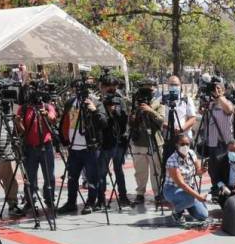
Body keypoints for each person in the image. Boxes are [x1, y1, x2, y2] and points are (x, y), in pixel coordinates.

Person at [57, 80, 108, 215]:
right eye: (75, 88)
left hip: (90, 147)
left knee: (92, 178)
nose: (77, 91)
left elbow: (103, 123)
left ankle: (91, 202)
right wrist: (63, 139)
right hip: (74, 148)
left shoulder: (95, 102)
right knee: (72, 178)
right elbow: (64, 121)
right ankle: (71, 203)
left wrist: (94, 110)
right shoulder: (70, 103)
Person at [15, 92, 58, 213]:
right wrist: (18, 123)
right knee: (30, 177)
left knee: (49, 176)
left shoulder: (47, 106)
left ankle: (49, 200)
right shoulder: (23, 109)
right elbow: (22, 131)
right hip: (30, 148)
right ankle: (30, 200)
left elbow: (53, 120)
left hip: (46, 146)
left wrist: (47, 115)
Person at [129, 80, 165, 205]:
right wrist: (135, 115)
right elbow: (131, 122)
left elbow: (161, 121)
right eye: (145, 89)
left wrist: (150, 110)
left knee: (156, 170)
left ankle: (157, 193)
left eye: (150, 89)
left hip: (154, 141)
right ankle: (140, 193)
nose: (148, 92)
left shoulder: (159, 103)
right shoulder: (136, 103)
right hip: (139, 141)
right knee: (140, 171)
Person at [97, 76, 130, 207]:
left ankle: (123, 196)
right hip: (104, 142)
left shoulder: (120, 100)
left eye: (114, 86)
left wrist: (115, 112)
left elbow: (124, 120)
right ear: (102, 87)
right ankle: (101, 199)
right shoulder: (98, 101)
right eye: (108, 86)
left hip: (119, 141)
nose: (111, 89)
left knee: (118, 170)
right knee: (102, 172)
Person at [163, 135, 208, 225]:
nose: (185, 146)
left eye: (187, 144)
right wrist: (198, 197)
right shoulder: (172, 160)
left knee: (203, 215)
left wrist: (203, 170)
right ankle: (176, 211)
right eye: (182, 144)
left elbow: (198, 171)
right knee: (192, 198)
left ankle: (185, 204)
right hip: (172, 189)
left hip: (188, 190)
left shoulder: (191, 153)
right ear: (176, 145)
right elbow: (181, 184)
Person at [201, 80, 235, 185]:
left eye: (219, 88)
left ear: (224, 91)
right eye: (214, 89)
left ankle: (225, 189)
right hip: (212, 143)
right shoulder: (210, 104)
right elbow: (201, 112)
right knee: (213, 169)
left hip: (224, 143)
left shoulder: (228, 103)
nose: (215, 91)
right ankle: (215, 188)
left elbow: (229, 110)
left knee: (224, 169)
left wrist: (219, 96)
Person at [162, 75, 197, 158]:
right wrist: (168, 126)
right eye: (171, 85)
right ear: (167, 85)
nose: (174, 87)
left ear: (180, 85)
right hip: (168, 137)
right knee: (168, 163)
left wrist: (181, 128)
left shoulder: (186, 99)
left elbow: (193, 118)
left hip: (184, 138)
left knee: (186, 163)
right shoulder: (162, 99)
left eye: (176, 85)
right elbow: (158, 117)